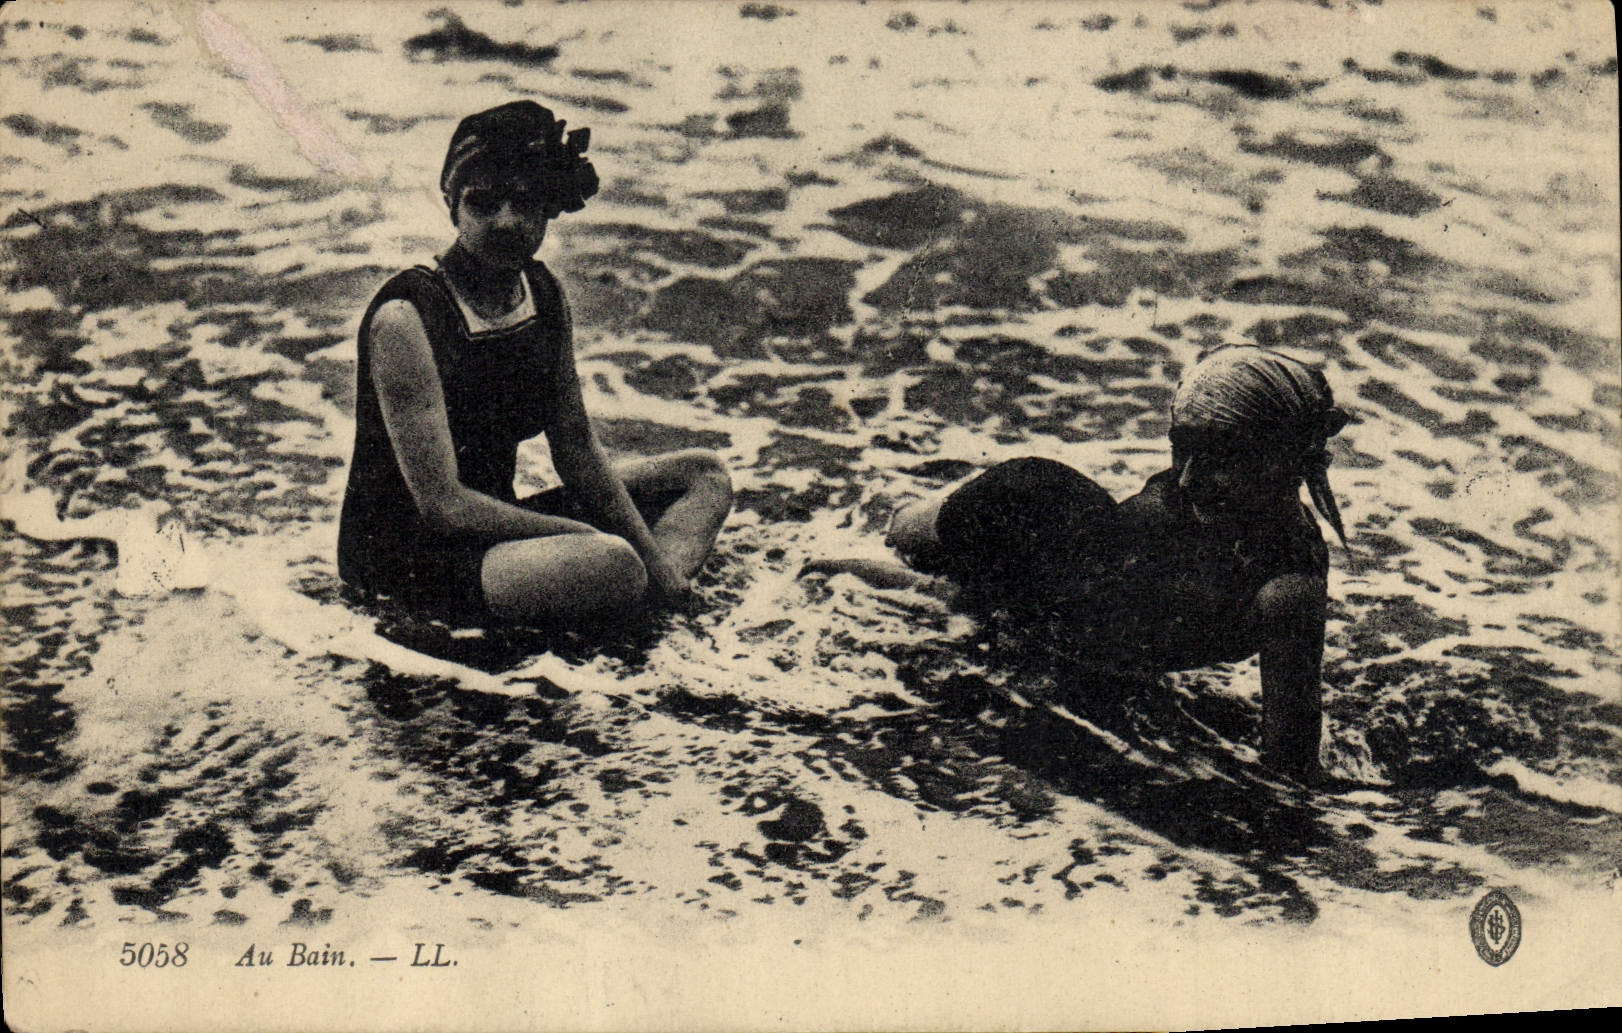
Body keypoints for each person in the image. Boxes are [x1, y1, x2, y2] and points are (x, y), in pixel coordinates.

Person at [831, 345, 1349, 781]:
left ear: (1282, 461)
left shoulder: (1287, 589)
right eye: (1181, 451)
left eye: (1218, 460)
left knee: (917, 583)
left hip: (1061, 575)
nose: (1187, 479)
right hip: (1032, 515)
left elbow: (1289, 766)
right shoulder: (1210, 504)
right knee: (878, 563)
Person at [338, 101, 731, 625]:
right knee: (610, 561)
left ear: (549, 208)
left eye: (523, 202)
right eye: (482, 203)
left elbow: (578, 454)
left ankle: (651, 597)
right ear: (452, 206)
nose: (504, 222)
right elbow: (443, 504)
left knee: (703, 476)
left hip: (499, 532)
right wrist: (580, 536)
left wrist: (659, 566)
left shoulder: (543, 293)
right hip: (410, 557)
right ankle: (621, 594)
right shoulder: (409, 316)